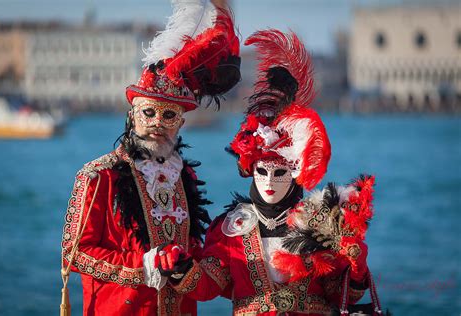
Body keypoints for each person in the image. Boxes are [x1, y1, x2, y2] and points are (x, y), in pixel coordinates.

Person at [154, 30, 381, 315]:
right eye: (262, 171)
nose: (270, 181)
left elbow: (339, 292)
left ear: (296, 171)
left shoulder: (322, 222)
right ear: (250, 170)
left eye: (280, 172)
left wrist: (357, 267)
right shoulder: (231, 229)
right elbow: (211, 284)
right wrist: (182, 269)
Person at [60, 1, 240, 315]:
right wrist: (143, 266)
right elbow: (74, 255)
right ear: (132, 115)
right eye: (148, 113)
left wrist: (189, 270)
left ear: (181, 122)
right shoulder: (97, 175)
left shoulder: (186, 176)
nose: (157, 123)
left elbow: (193, 248)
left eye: (168, 115)